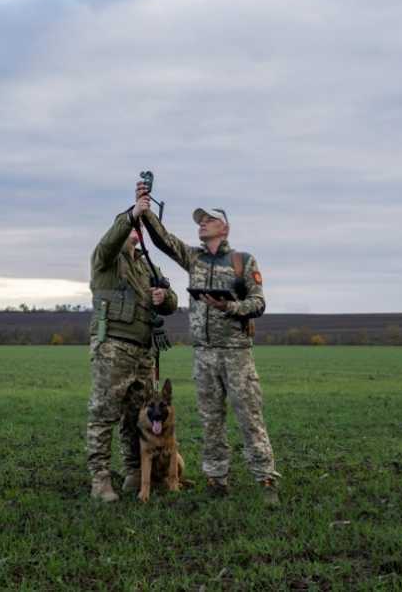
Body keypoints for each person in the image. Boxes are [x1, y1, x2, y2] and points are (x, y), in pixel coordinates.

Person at [136, 183, 281, 504]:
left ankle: (266, 479)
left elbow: (258, 303)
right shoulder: (194, 258)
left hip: (236, 354)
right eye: (199, 220)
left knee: (250, 419)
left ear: (224, 228)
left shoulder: (243, 261)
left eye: (209, 220)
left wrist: (229, 306)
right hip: (203, 355)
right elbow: (164, 240)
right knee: (210, 421)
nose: (202, 223)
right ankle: (217, 480)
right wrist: (144, 210)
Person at [86, 190, 178, 502]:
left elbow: (172, 300)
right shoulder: (106, 259)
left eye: (139, 231)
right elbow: (111, 240)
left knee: (135, 416)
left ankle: (134, 472)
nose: (136, 236)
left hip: (143, 352)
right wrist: (132, 215)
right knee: (104, 414)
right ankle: (100, 479)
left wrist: (164, 298)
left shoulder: (147, 266)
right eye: (132, 230)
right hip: (113, 348)